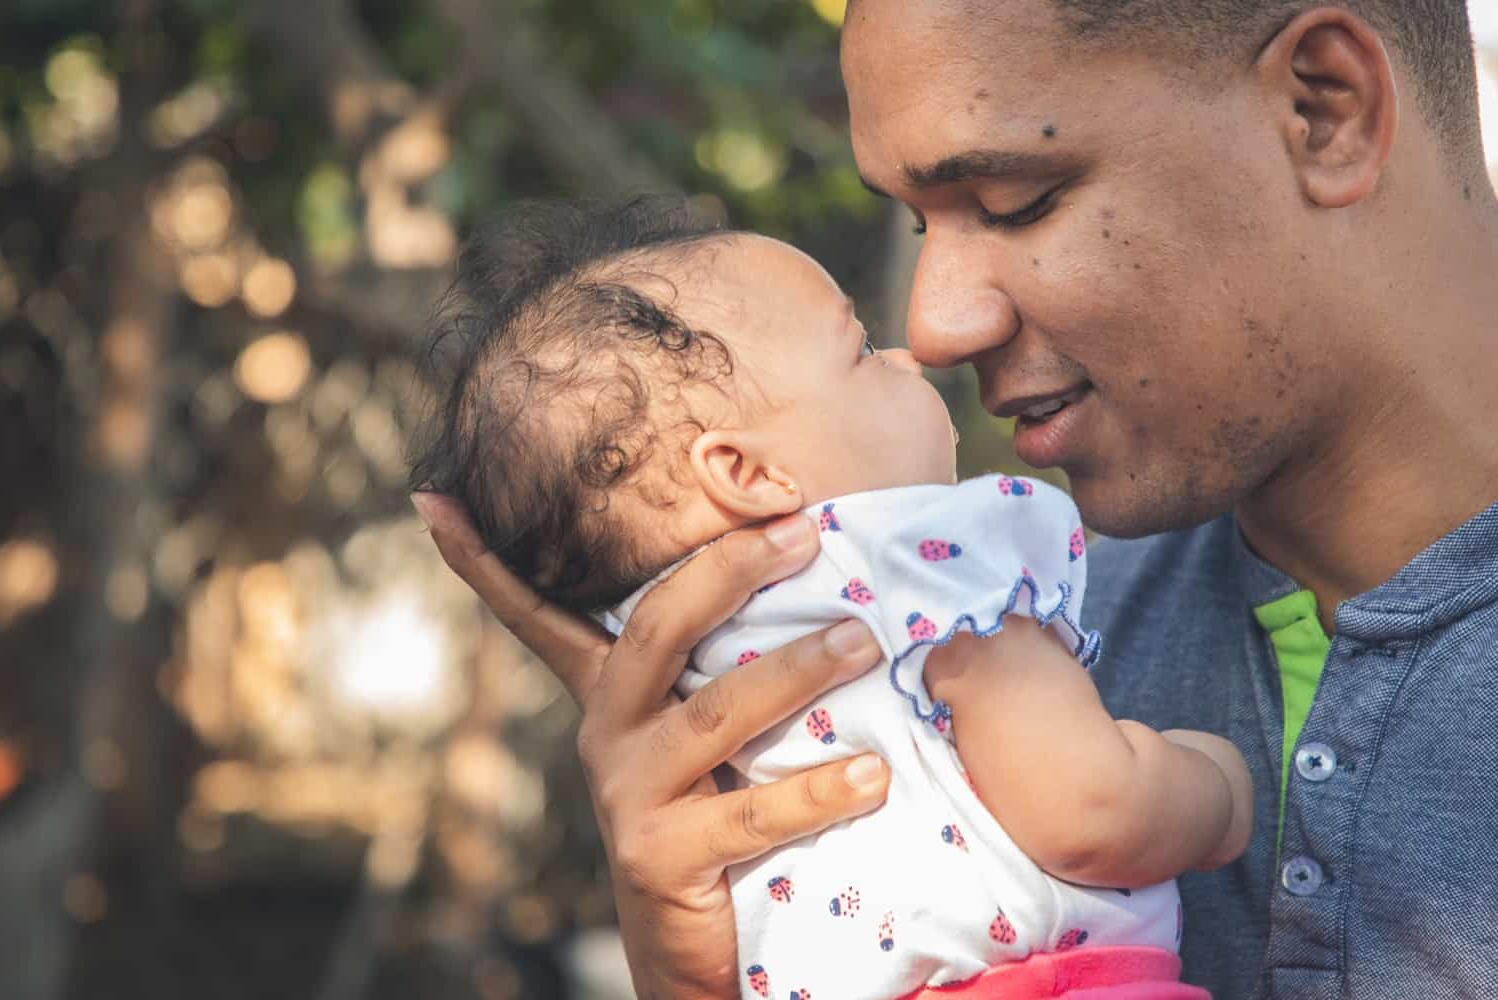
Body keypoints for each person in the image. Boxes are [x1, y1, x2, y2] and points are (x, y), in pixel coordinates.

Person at [412, 0, 1498, 996]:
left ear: (1324, 108)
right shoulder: (1006, 622)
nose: (934, 323)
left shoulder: (990, 612)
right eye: (922, 223)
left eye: (1013, 200)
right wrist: (715, 972)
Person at [409, 198, 1250, 998]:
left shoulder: (674, 671)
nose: (909, 354)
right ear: (745, 474)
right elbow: (1091, 810)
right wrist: (1216, 786)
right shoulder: (930, 565)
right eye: (860, 351)